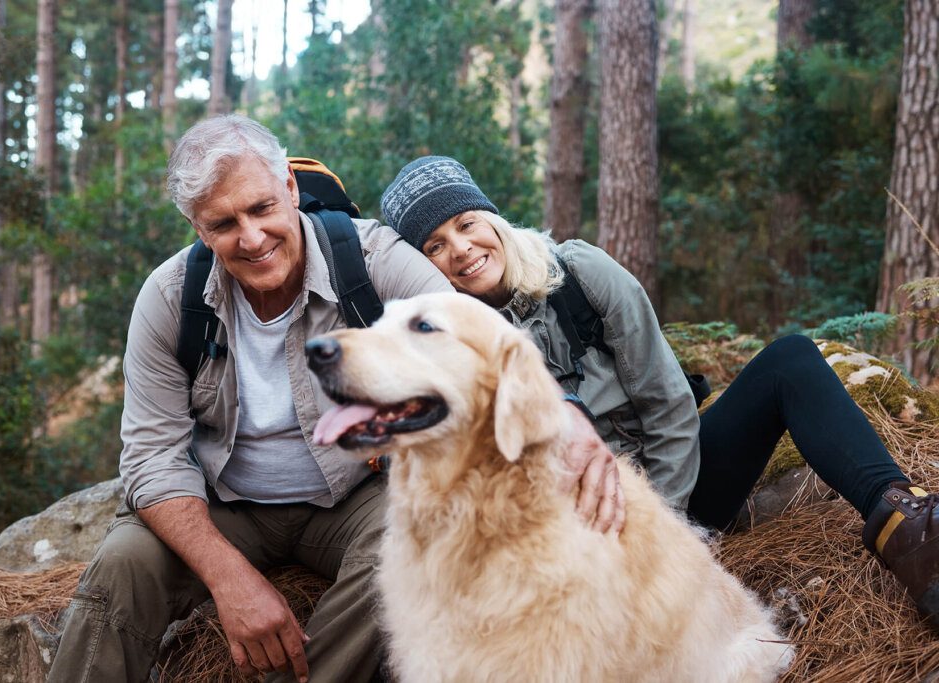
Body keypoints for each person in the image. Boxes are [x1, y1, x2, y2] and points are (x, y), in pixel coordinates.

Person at [48, 118, 616, 683]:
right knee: (125, 564)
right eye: (224, 224)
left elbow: (475, 339)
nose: (251, 237)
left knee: (416, 545)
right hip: (225, 503)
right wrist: (231, 579)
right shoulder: (170, 298)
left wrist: (565, 411)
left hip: (355, 494)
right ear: (197, 228)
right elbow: (151, 459)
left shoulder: (372, 259)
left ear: (291, 189)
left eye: (263, 208)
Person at [380, 154, 939, 629]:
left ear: (493, 219)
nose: (460, 247)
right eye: (434, 245)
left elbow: (668, 404)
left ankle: (907, 527)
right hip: (579, 537)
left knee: (789, 359)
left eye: (466, 222)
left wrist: (667, 531)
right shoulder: (451, 350)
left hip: (678, 489)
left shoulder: (577, 273)